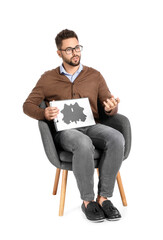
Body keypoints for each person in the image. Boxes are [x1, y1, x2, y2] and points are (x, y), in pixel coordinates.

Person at [23, 29, 125, 222]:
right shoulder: (47, 78)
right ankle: (88, 201)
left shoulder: (94, 75)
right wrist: (43, 113)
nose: (75, 52)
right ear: (59, 53)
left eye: (77, 47)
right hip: (66, 132)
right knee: (83, 143)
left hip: (92, 125)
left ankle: (103, 198)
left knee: (117, 138)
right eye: (69, 50)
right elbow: (27, 105)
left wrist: (113, 107)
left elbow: (107, 105)